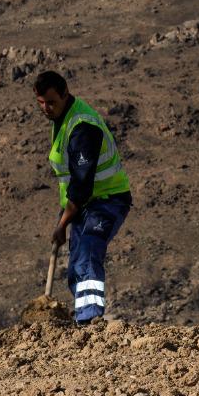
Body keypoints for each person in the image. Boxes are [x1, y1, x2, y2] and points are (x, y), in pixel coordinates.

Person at [34, 71, 132, 323]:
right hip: (81, 204)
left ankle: (90, 321)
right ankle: (82, 318)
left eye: (51, 102)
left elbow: (82, 183)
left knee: (88, 250)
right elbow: (70, 181)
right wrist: (63, 218)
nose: (46, 108)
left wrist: (62, 223)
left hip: (107, 200)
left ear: (65, 93)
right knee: (76, 263)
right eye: (41, 102)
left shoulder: (83, 127)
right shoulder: (62, 119)